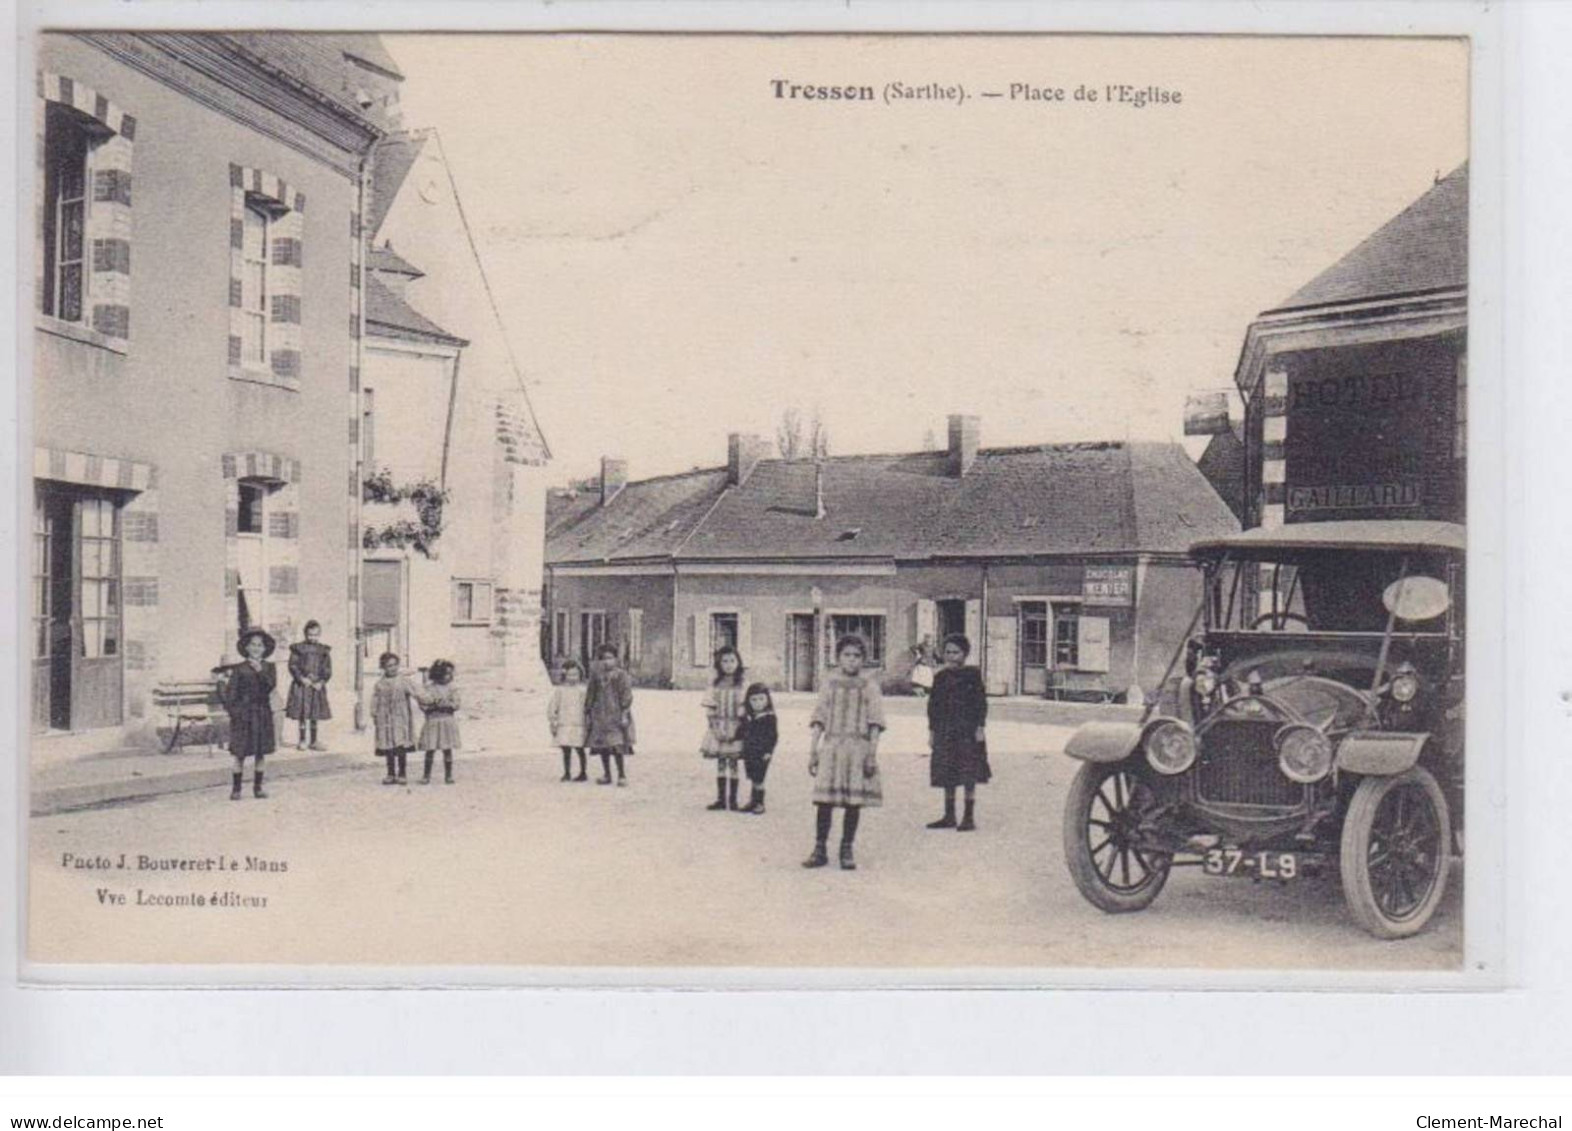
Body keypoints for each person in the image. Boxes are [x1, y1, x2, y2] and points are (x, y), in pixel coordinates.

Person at [805, 634, 886, 870]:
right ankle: (819, 849)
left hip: (857, 750)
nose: (851, 660)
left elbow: (875, 722)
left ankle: (846, 848)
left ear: (863, 659)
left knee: (853, 802)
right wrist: (813, 751)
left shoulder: (869, 685)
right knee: (824, 802)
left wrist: (871, 754)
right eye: (847, 655)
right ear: (838, 657)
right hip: (831, 748)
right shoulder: (829, 682)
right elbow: (819, 717)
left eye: (857, 656)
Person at [926, 633, 991, 831]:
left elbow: (981, 702)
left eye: (956, 652)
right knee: (947, 771)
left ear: (965, 654)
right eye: (947, 652)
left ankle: (968, 817)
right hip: (946, 730)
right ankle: (949, 815)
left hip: (967, 731)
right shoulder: (940, 677)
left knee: (968, 771)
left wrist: (980, 727)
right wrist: (932, 731)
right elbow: (933, 706)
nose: (951, 656)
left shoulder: (972, 675)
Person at [220, 627, 277, 801]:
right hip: (244, 715)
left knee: (260, 752)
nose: (256, 648)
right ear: (246, 648)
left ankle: (258, 788)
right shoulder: (239, 669)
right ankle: (236, 789)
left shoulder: (269, 667)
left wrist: (260, 670)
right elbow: (231, 694)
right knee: (240, 753)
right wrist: (235, 713)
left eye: (260, 645)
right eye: (253, 645)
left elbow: (270, 687)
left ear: (265, 649)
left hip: (262, 713)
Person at [701, 644, 748, 811]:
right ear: (719, 664)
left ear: (738, 662)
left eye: (732, 661)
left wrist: (738, 729)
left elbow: (744, 709)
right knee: (721, 762)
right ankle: (721, 799)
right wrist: (715, 728)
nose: (729, 664)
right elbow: (710, 708)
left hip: (736, 727)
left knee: (734, 762)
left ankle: (733, 800)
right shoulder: (714, 684)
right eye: (725, 661)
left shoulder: (742, 684)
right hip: (719, 726)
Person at [584, 643, 634, 786]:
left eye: (610, 658)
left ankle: (622, 775)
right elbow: (590, 694)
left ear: (616, 659)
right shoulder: (596, 675)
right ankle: (607, 774)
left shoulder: (621, 675)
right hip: (599, 715)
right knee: (603, 746)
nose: (607, 661)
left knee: (617, 745)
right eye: (603, 659)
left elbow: (627, 696)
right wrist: (588, 712)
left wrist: (624, 714)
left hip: (616, 714)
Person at [371, 651, 418, 785]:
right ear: (383, 668)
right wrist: (374, 713)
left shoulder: (404, 681)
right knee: (389, 747)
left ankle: (402, 773)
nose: (392, 668)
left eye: (394, 665)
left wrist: (429, 700)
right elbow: (375, 700)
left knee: (400, 746)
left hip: (400, 718)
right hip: (384, 719)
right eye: (389, 666)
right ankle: (390, 773)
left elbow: (417, 692)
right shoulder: (380, 684)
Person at [285, 620, 332, 751]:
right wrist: (301, 678)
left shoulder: (323, 650)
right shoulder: (298, 649)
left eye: (316, 635)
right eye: (310, 634)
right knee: (302, 714)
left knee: (314, 713)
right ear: (305, 634)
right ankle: (302, 740)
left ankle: (314, 740)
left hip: (316, 686)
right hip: (302, 686)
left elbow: (327, 669)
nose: (313, 637)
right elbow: (293, 666)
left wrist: (321, 682)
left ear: (319, 634)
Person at [416, 659, 461, 785]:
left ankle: (448, 775)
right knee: (430, 749)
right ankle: (426, 775)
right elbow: (423, 703)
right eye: (447, 673)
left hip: (447, 721)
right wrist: (433, 704)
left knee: (447, 749)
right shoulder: (429, 688)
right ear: (438, 674)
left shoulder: (452, 688)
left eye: (451, 674)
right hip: (433, 721)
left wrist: (446, 704)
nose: (449, 676)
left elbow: (456, 704)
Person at [738, 681, 778, 815]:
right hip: (750, 752)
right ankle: (753, 801)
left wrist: (768, 751)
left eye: (761, 699)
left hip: (762, 753)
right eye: (754, 700)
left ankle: (760, 803)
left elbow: (773, 736)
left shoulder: (769, 717)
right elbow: (741, 731)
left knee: (759, 779)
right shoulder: (749, 717)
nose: (758, 703)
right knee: (752, 777)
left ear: (767, 700)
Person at [548, 659, 590, 782]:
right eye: (570, 675)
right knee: (566, 749)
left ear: (580, 675)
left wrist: (588, 721)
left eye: (575, 675)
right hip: (564, 724)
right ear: (565, 675)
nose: (573, 678)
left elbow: (587, 707)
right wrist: (553, 721)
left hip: (578, 724)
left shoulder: (582, 691)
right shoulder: (560, 691)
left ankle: (583, 772)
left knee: (580, 749)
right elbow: (553, 707)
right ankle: (567, 773)